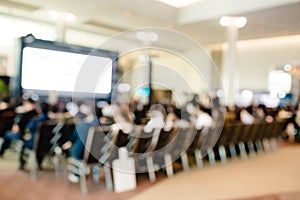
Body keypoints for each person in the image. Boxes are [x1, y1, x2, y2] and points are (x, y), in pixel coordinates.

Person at [20, 101, 50, 170]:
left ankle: (22, 165)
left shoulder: (36, 120)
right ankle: (39, 163)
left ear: (39, 110)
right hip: (47, 145)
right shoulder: (51, 121)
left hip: (34, 144)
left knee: (24, 144)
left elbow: (28, 130)